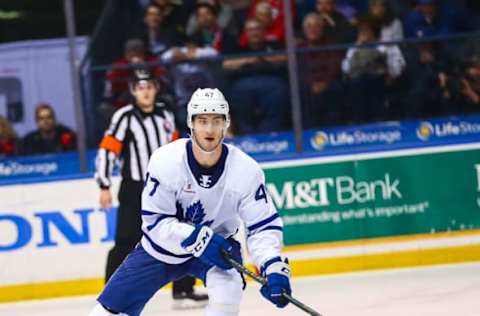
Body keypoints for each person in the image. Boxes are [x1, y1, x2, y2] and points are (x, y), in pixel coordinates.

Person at [88, 88, 292, 316]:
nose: (210, 129)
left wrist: (272, 265)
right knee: (103, 314)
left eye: (217, 120)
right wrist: (196, 238)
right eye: (202, 120)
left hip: (218, 250)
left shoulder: (246, 170)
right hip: (161, 251)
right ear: (190, 123)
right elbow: (155, 223)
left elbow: (262, 225)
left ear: (226, 123)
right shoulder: (165, 161)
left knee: (228, 294)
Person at [95, 69, 207, 309]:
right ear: (134, 91)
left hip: (167, 187)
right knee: (125, 241)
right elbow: (107, 150)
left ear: (156, 89)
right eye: (140, 87)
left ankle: (184, 288)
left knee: (180, 235)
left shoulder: (165, 115)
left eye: (149, 86)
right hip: (135, 188)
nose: (145, 91)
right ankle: (110, 293)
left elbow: (178, 150)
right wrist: (104, 185)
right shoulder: (124, 117)